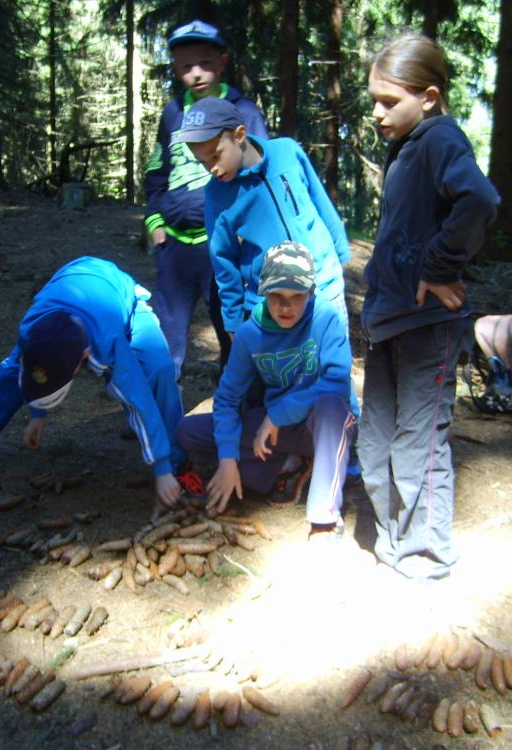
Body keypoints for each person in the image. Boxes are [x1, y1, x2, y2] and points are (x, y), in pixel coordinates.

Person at [358, 34, 500, 581]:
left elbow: (479, 199)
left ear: (430, 96)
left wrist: (439, 267)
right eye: (374, 100)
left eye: (389, 101)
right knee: (376, 441)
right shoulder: (406, 145)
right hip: (389, 321)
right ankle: (394, 539)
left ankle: (427, 553)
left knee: (419, 443)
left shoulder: (440, 138)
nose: (377, 113)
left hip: (428, 327)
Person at [0, 256, 199, 510]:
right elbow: (33, 372)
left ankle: (178, 465)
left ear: (84, 358)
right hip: (72, 284)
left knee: (159, 370)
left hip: (120, 296)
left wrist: (161, 468)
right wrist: (37, 414)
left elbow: (138, 401)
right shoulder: (32, 329)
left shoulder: (109, 342)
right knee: (8, 377)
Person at [176, 242, 355, 542]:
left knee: (332, 407)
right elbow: (227, 400)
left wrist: (279, 414)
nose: (285, 307)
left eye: (296, 297)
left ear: (311, 292)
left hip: (317, 426)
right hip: (272, 432)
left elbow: (338, 383)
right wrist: (227, 458)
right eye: (276, 296)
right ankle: (289, 466)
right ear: (263, 291)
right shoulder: (250, 334)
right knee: (187, 431)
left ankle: (324, 519)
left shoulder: (327, 319)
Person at [144, 19, 268, 378]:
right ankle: (161, 399)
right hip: (175, 246)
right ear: (176, 68)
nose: (196, 73)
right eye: (186, 66)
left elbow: (261, 173)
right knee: (165, 333)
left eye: (205, 63)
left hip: (223, 245)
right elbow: (157, 170)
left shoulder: (243, 112)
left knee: (232, 326)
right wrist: (154, 221)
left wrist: (248, 233)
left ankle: (236, 398)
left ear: (223, 62)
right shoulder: (172, 113)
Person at [171, 96, 351, 339]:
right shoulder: (217, 195)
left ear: (239, 135)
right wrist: (233, 320)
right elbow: (223, 261)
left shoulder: (287, 152)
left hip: (325, 287)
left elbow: (320, 201)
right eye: (202, 162)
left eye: (216, 155)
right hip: (275, 304)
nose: (211, 168)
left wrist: (340, 251)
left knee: (333, 360)